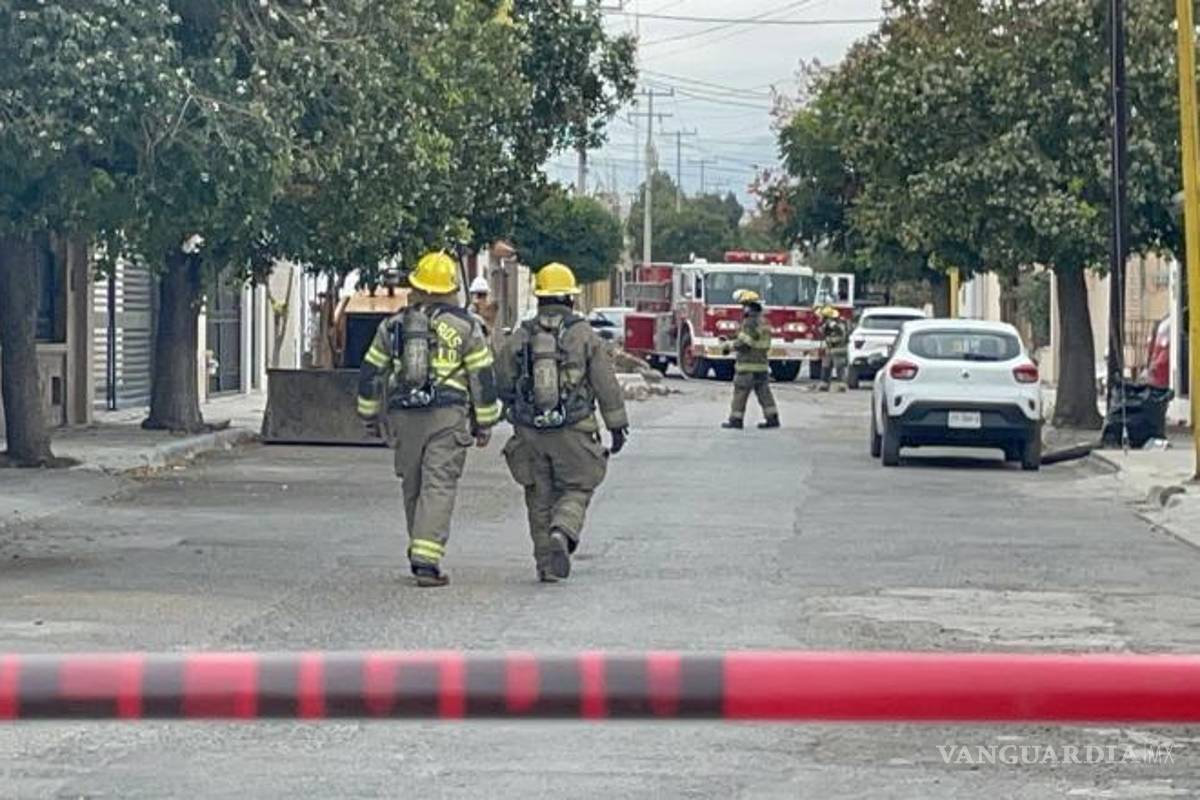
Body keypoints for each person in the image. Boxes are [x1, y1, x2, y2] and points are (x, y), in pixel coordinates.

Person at [356, 251, 502, 587]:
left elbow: (371, 373)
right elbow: (482, 376)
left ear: (417, 286)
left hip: (404, 417)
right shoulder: (467, 327)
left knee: (414, 484)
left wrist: (368, 416)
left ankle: (421, 547)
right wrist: (485, 422)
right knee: (439, 484)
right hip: (448, 417)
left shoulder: (392, 326)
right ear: (451, 288)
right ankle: (426, 556)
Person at [497, 262, 629, 583]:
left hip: (529, 431)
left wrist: (510, 409)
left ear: (539, 297)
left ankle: (545, 563)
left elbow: (500, 379)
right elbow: (605, 383)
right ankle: (563, 530)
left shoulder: (521, 336)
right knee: (578, 485)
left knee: (538, 495)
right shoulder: (585, 335)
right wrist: (616, 424)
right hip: (574, 428)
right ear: (571, 298)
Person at [721, 289, 780, 430]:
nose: (743, 310)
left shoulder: (749, 322)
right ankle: (772, 418)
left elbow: (745, 344)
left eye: (743, 306)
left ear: (747, 306)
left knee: (740, 393)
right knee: (764, 393)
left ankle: (736, 419)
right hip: (761, 365)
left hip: (747, 366)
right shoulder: (763, 321)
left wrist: (728, 346)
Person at [818, 305, 849, 392]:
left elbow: (842, 337)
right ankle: (824, 384)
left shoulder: (839, 325)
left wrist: (831, 339)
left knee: (839, 367)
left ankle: (842, 385)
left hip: (838, 349)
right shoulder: (827, 326)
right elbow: (822, 333)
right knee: (825, 367)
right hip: (829, 350)